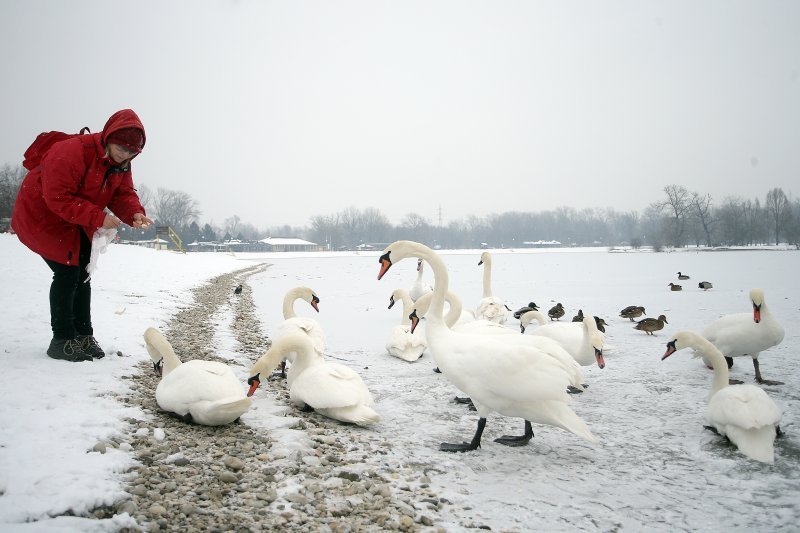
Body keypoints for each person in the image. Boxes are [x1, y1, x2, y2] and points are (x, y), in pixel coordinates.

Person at [11, 109, 154, 362]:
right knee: (67, 272)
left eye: (132, 153)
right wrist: (99, 217)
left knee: (84, 271)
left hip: (76, 218)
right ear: (109, 136)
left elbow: (122, 194)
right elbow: (57, 197)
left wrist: (134, 213)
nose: (126, 156)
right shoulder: (72, 151)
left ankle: (83, 334)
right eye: (122, 149)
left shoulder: (122, 164)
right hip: (43, 215)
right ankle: (62, 338)